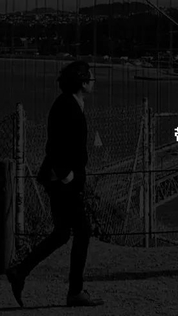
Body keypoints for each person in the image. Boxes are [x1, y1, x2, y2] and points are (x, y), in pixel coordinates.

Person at [6, 61, 104, 307]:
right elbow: (55, 145)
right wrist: (66, 175)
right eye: (91, 78)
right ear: (83, 82)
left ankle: (20, 271)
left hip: (60, 179)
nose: (94, 82)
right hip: (62, 180)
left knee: (61, 233)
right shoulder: (66, 106)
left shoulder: (70, 103)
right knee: (83, 230)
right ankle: (75, 291)